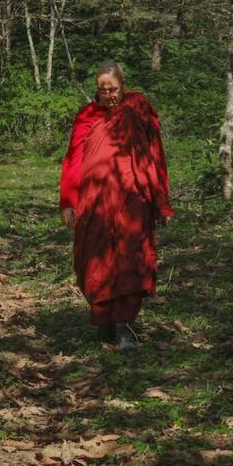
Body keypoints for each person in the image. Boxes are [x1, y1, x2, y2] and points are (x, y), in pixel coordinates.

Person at [59, 61, 173, 352]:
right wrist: (68, 201)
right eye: (103, 90)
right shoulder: (87, 116)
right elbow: (73, 159)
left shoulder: (138, 108)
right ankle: (104, 319)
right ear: (96, 91)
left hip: (132, 195)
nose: (109, 96)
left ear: (124, 85)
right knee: (95, 257)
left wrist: (161, 197)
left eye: (114, 89)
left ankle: (124, 326)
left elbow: (155, 153)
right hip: (94, 198)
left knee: (129, 256)